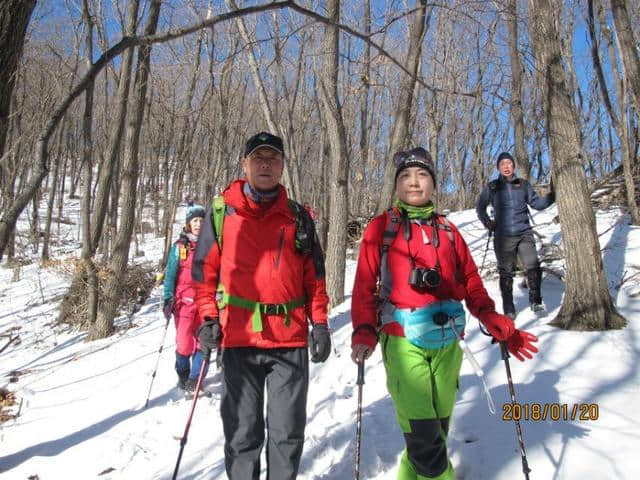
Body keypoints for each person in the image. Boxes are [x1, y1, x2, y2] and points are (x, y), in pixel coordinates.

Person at [351, 147, 538, 480]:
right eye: (406, 176)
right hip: (402, 339)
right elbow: (365, 285)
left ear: (434, 184)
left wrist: (491, 318)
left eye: (422, 175)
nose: (414, 182)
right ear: (396, 184)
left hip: (448, 342)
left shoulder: (450, 232)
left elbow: (472, 284)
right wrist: (364, 330)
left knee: (434, 433)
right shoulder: (382, 228)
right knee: (426, 444)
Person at [192, 131, 331, 480]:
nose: (265, 164)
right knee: (242, 434)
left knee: (287, 436)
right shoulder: (223, 212)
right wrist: (208, 317)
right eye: (258, 158)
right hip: (239, 340)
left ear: (283, 165)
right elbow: (203, 273)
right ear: (245, 164)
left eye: (272, 158)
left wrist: (321, 324)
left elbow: (314, 277)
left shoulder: (298, 217)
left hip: (290, 341)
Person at [476, 151, 555, 317]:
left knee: (533, 265)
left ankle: (536, 301)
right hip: (503, 236)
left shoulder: (523, 184)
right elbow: (480, 207)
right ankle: (509, 308)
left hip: (524, 232)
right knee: (506, 272)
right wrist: (487, 222)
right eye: (502, 164)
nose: (506, 166)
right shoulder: (493, 187)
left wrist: (551, 196)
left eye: (509, 163)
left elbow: (537, 203)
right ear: (498, 167)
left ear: (514, 166)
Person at [163, 202, 207, 393]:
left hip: (205, 303)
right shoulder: (180, 247)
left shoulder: (210, 245)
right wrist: (167, 297)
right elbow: (170, 274)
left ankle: (196, 379)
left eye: (201, 220)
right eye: (195, 220)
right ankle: (183, 374)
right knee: (184, 343)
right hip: (183, 302)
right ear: (189, 223)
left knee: (203, 342)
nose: (198, 224)